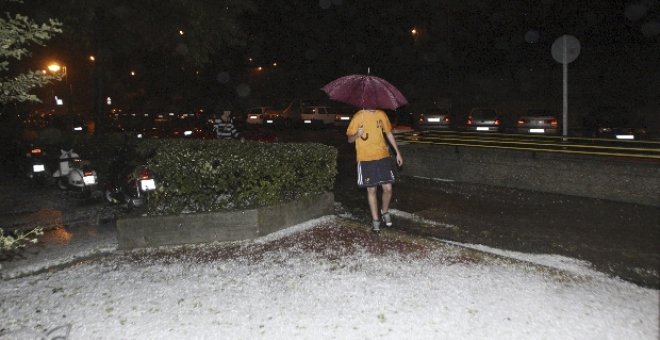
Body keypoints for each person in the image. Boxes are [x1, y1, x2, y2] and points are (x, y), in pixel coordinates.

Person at [346, 109, 403, 232]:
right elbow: (349, 139)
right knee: (372, 189)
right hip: (366, 158)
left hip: (382, 156)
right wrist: (357, 134)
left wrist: (397, 152)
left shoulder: (381, 114)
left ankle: (385, 211)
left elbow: (388, 133)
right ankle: (375, 220)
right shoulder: (358, 116)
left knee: (388, 188)